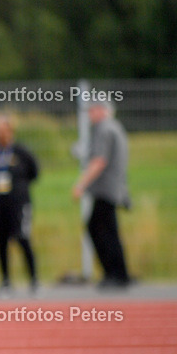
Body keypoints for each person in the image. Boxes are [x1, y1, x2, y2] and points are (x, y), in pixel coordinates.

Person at [72, 99, 132, 290]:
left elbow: (99, 161)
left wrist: (81, 185)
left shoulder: (103, 129)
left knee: (100, 230)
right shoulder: (115, 127)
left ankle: (114, 274)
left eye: (92, 110)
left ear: (101, 110)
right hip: (114, 187)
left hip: (106, 189)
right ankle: (119, 273)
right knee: (107, 230)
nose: (89, 115)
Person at [0, 114, 39, 296]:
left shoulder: (21, 152)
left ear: (11, 131)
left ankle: (34, 279)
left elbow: (34, 173)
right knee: (1, 241)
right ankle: (5, 280)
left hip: (18, 204)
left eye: (3, 130)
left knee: (22, 238)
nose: (0, 134)